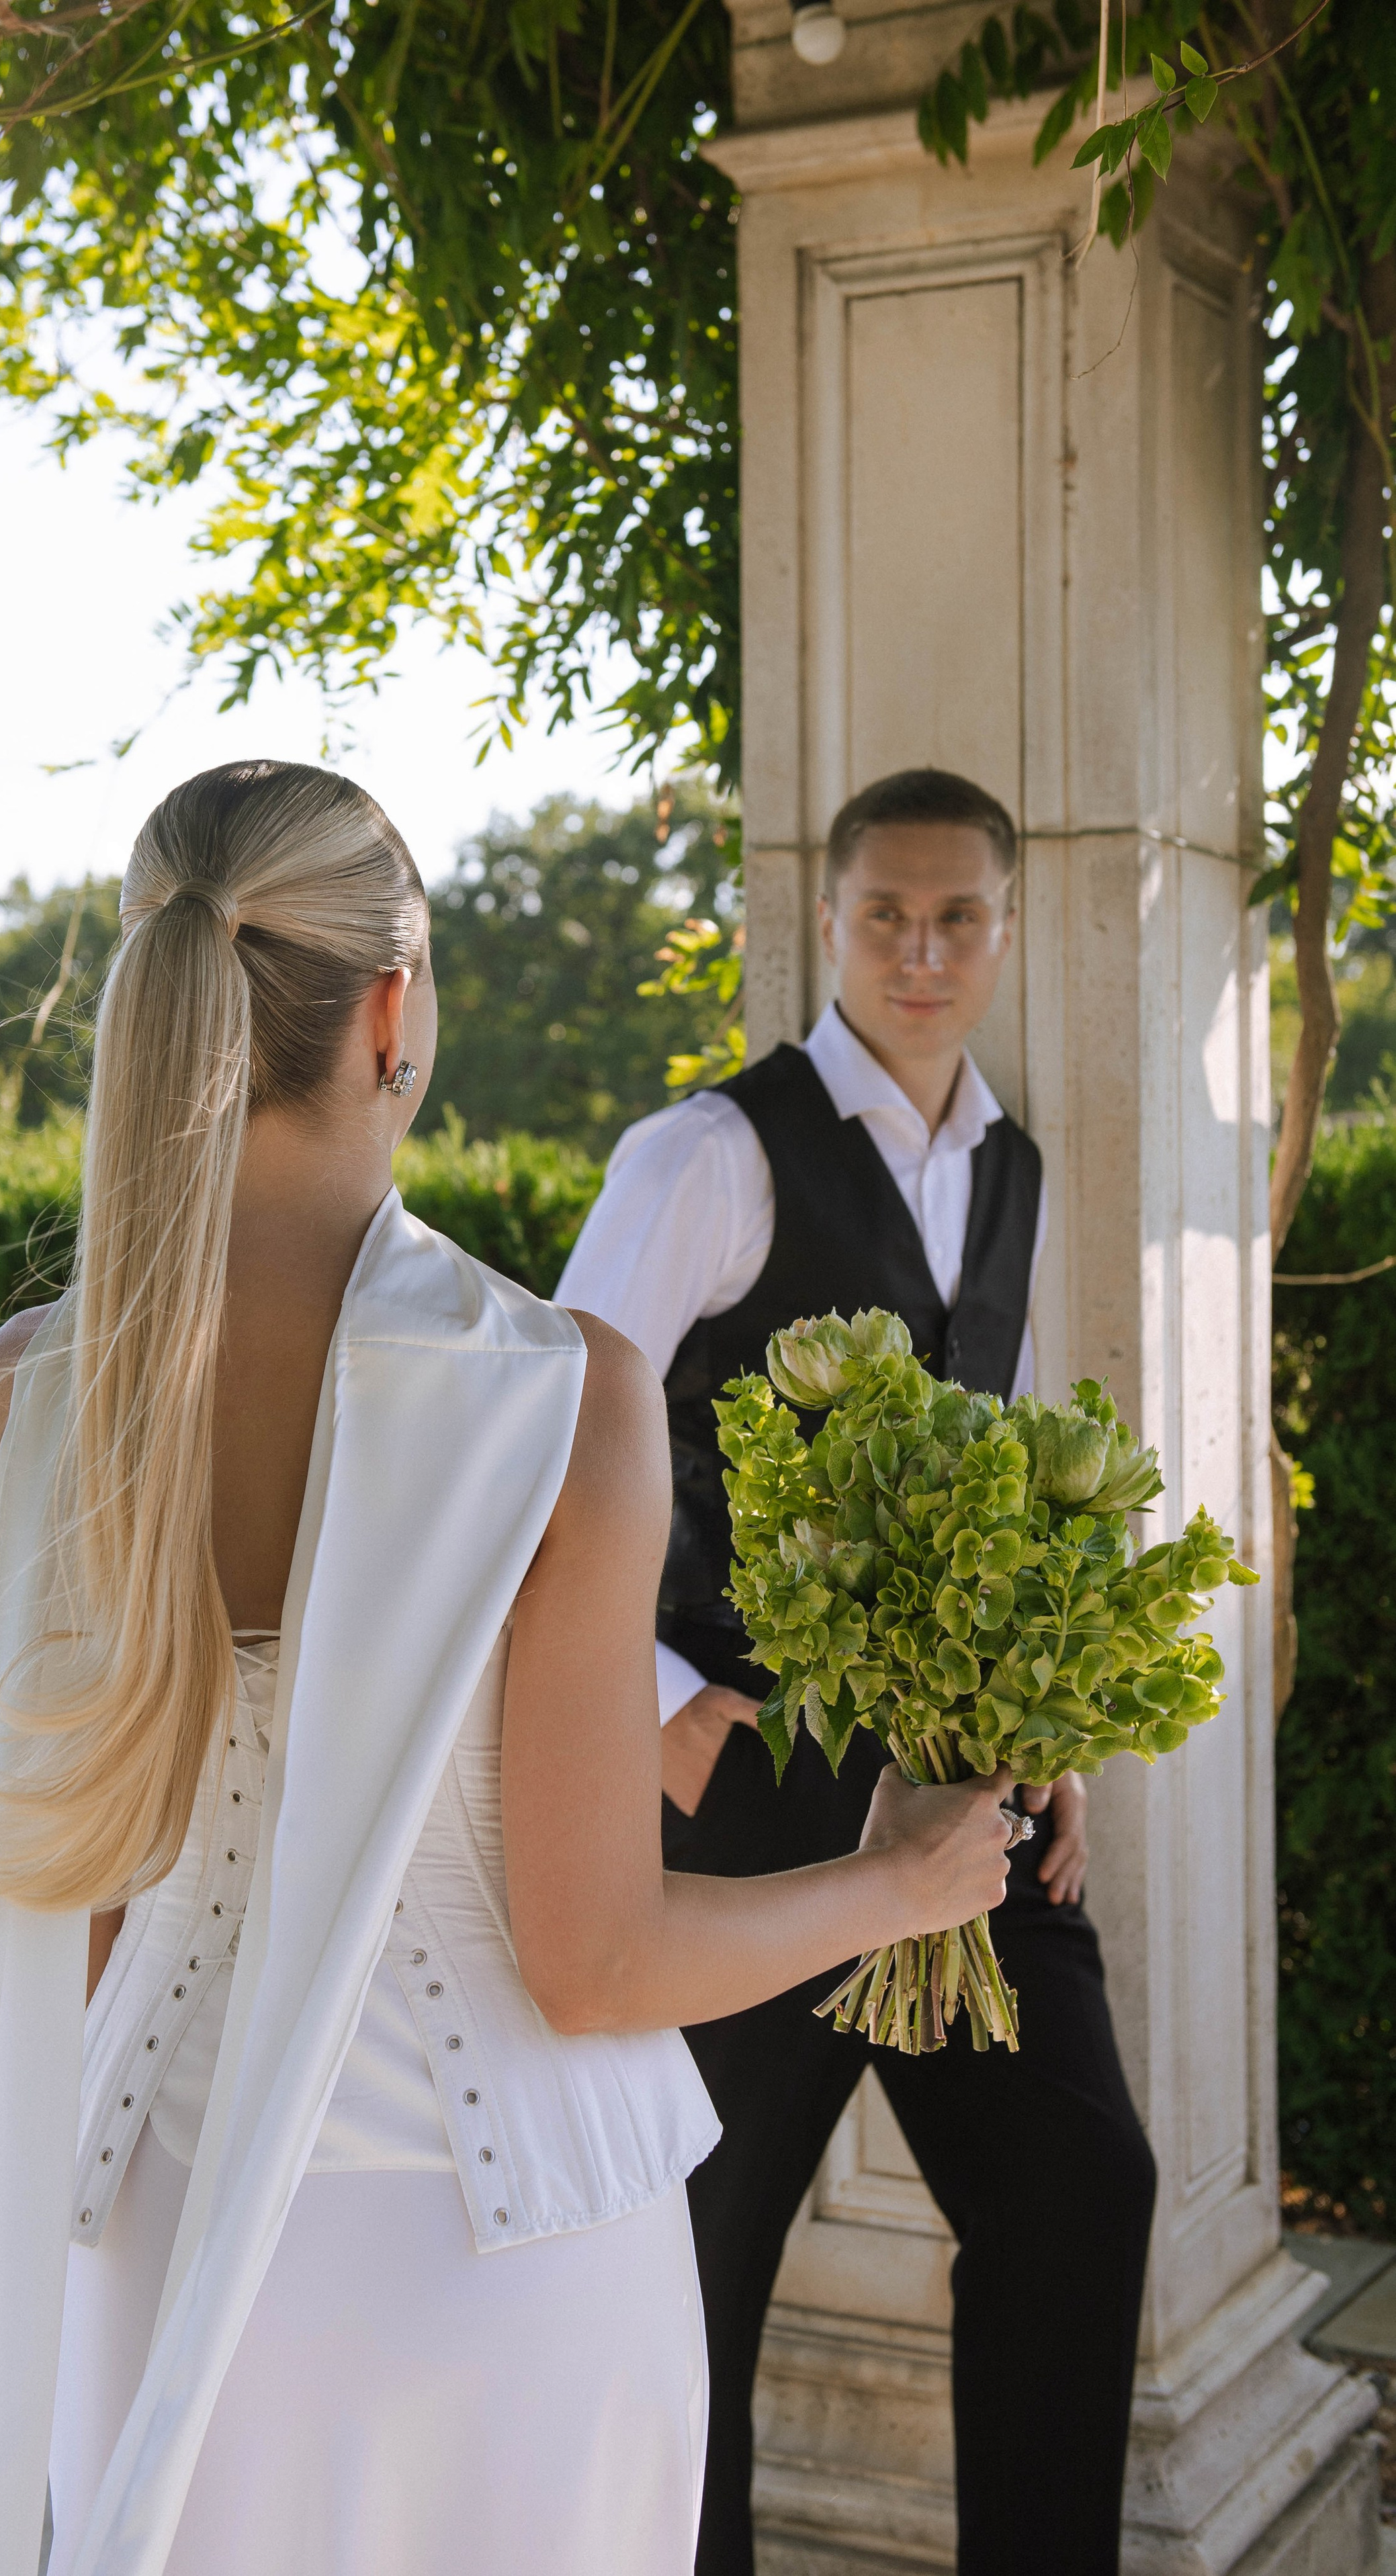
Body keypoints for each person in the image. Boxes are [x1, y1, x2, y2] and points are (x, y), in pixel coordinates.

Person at [0, 759, 1018, 2576]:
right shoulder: (561, 1394)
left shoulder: (20, 1400)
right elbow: (596, 1955)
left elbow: (71, 1933)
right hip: (505, 2259)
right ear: (394, 1008)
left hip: (152, 2241)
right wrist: (907, 1876)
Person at [557, 766, 1159, 2576]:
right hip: (744, 1810)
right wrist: (661, 1706)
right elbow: (545, 1444)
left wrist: (1051, 1739)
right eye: (884, 914)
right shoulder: (706, 1156)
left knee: (1081, 2186)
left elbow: (1014, 1471)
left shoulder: (1015, 1168)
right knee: (694, 2277)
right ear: (825, 922)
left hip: (961, 1796)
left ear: (1003, 926)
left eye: (957, 914)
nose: (920, 949)